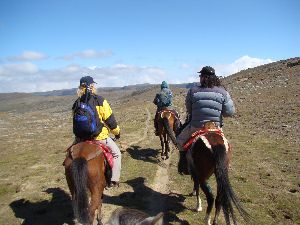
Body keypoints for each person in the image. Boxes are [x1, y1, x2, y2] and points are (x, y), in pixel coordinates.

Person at [176, 66, 235, 174]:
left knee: (180, 140)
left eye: (200, 76)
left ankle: (184, 164)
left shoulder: (193, 91)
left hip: (196, 126)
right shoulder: (223, 92)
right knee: (227, 145)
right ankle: (226, 165)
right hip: (215, 127)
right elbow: (229, 112)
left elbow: (189, 110)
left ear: (203, 77)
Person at [72, 76, 121, 188]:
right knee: (117, 154)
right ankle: (114, 180)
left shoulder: (77, 103)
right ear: (92, 86)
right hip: (99, 137)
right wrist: (117, 133)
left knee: (70, 154)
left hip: (80, 139)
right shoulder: (100, 100)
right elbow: (110, 121)